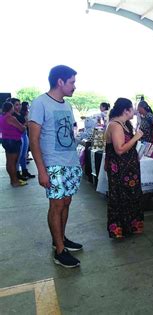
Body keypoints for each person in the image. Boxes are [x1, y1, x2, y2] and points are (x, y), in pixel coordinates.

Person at [29, 65, 83, 268]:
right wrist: (41, 170)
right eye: (72, 82)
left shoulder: (67, 105)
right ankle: (60, 251)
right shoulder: (40, 103)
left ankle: (60, 238)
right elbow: (33, 140)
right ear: (60, 82)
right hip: (53, 164)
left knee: (66, 202)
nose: (74, 86)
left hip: (70, 162)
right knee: (56, 205)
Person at [105, 98, 144, 239]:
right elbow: (119, 150)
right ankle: (120, 228)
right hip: (120, 170)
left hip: (128, 169)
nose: (134, 111)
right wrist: (136, 138)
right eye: (132, 108)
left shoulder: (124, 124)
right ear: (126, 110)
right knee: (121, 197)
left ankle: (131, 226)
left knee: (131, 196)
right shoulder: (115, 125)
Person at [0, 101, 28, 187]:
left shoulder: (2, 117)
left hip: (5, 140)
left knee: (9, 162)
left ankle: (13, 180)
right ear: (10, 108)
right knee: (13, 162)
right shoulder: (11, 118)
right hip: (13, 140)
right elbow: (21, 128)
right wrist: (25, 125)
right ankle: (15, 181)